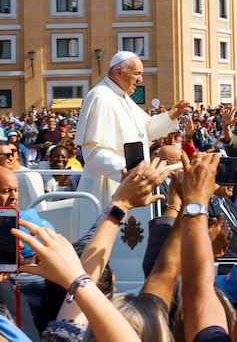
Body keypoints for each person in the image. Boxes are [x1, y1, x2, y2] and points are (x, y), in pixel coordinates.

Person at [73, 50, 190, 230]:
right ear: (119, 72)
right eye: (137, 74)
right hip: (107, 187)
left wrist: (172, 114)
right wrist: (126, 173)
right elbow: (93, 152)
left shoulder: (123, 97)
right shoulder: (100, 97)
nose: (140, 80)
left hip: (131, 184)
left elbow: (147, 129)